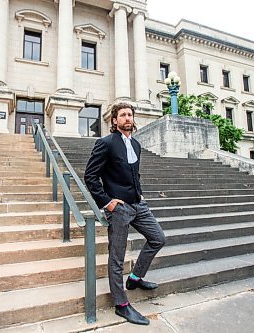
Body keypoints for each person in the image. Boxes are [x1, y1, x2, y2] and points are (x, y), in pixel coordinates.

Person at [84, 102, 166, 326]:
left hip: (138, 205)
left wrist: (140, 195)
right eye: (123, 115)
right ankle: (121, 305)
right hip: (119, 209)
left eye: (130, 115)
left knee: (158, 238)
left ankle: (135, 278)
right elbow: (90, 176)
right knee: (117, 257)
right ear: (114, 120)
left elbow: (134, 174)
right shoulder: (106, 143)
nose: (128, 118)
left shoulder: (137, 145)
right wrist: (107, 203)